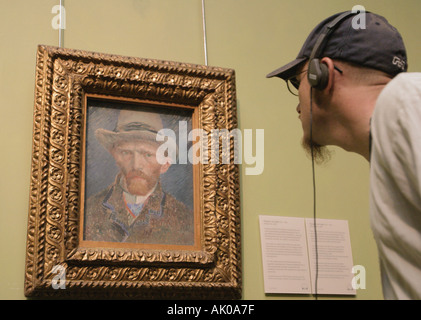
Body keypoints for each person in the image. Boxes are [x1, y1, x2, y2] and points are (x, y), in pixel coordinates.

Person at [267, 11, 421, 299]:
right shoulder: (390, 139)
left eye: (295, 80)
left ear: (321, 75)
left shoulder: (405, 100)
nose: (297, 105)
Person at [84, 109, 194, 246]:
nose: (136, 165)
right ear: (115, 157)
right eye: (126, 152)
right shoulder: (87, 211)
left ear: (165, 164)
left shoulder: (186, 221)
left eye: (147, 154)